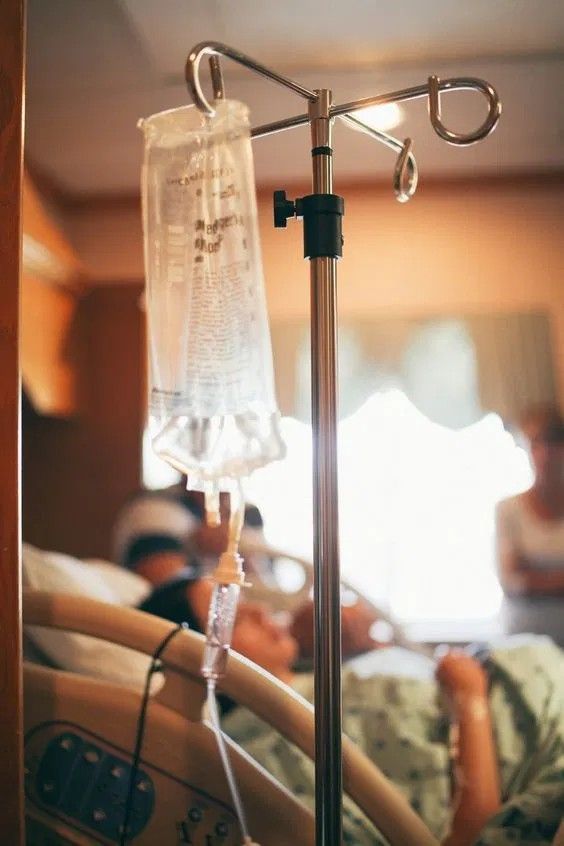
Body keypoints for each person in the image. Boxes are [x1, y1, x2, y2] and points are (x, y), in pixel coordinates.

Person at [138, 572, 564, 846]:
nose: (256, 608)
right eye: (227, 611)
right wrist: (469, 697)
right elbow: (469, 832)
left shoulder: (316, 678)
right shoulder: (271, 750)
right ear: (197, 665)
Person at [496, 404, 564, 644]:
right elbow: (513, 581)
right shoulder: (509, 509)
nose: (546, 454)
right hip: (523, 639)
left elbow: (525, 580)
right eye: (537, 444)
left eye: (554, 444)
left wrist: (537, 577)